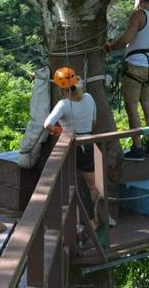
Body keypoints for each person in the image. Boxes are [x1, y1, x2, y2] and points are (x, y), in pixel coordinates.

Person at [44, 67, 116, 227]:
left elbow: (47, 124)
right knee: (94, 186)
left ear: (61, 88)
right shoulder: (89, 98)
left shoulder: (63, 104)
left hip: (69, 146)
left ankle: (75, 224)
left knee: (70, 186)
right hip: (88, 143)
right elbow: (93, 122)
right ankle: (103, 218)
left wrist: (60, 130)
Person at [105, 0, 149, 161]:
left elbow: (127, 38)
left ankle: (137, 149)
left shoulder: (138, 14)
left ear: (140, 0)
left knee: (131, 106)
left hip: (135, 65)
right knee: (147, 104)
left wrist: (111, 47)